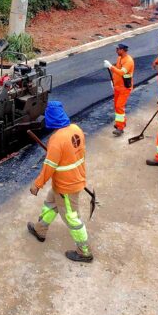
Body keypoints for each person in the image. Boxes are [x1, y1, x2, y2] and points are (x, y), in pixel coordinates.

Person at [27, 100, 93, 263]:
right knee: (50, 204)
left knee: (72, 218)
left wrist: (37, 184)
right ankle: (40, 230)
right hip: (72, 180)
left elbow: (49, 166)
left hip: (66, 187)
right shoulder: (76, 129)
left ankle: (84, 252)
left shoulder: (56, 140)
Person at [103, 43, 134, 136]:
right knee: (116, 106)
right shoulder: (119, 58)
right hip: (118, 87)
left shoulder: (129, 61)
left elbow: (121, 73)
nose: (116, 51)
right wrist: (113, 81)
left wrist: (110, 66)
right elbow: (117, 71)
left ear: (123, 50)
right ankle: (121, 122)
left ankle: (120, 128)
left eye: (118, 49)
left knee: (119, 106)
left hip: (125, 88)